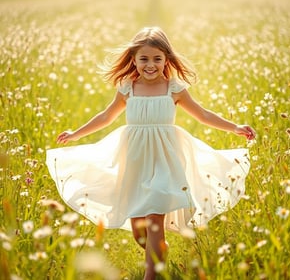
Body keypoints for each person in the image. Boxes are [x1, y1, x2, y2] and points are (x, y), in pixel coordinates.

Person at [46, 26, 256, 280]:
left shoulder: (174, 88)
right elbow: (106, 116)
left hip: (166, 161)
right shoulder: (127, 88)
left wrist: (234, 127)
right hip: (134, 162)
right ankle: (158, 254)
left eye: (157, 59)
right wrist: (75, 133)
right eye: (144, 58)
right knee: (141, 232)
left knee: (155, 216)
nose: (150, 64)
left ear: (166, 59)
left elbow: (203, 115)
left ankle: (151, 275)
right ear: (133, 60)